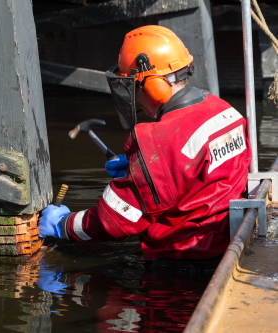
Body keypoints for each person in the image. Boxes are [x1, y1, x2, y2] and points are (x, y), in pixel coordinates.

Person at [38, 25, 251, 270]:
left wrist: (63, 224)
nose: (132, 96)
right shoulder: (224, 110)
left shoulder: (160, 139)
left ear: (153, 87)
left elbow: (115, 220)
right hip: (224, 242)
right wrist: (141, 169)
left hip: (183, 264)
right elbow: (206, 171)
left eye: (131, 86)